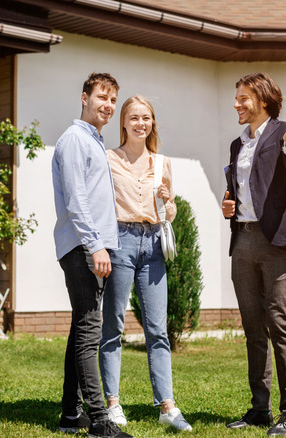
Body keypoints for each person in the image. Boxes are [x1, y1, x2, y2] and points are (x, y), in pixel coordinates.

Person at [221, 73, 286, 436]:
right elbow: (240, 186)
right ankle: (260, 408)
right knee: (253, 328)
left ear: (263, 99)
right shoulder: (236, 143)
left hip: (276, 242)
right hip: (243, 239)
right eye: (236, 98)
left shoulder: (283, 132)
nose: (237, 104)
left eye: (243, 98)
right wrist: (229, 204)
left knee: (280, 324)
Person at [98, 95, 193, 432]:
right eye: (134, 117)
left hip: (153, 244)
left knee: (157, 329)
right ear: (123, 122)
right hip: (120, 242)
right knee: (113, 327)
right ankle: (112, 403)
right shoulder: (108, 159)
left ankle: (167, 407)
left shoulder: (162, 162)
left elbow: (169, 214)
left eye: (147, 118)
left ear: (153, 123)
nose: (141, 123)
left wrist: (169, 203)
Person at [52, 72, 132, 438]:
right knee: (89, 330)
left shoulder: (94, 141)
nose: (109, 105)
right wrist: (95, 244)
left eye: (113, 100)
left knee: (81, 327)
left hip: (91, 245)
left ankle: (71, 414)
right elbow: (76, 199)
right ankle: (100, 421)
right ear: (84, 97)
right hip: (83, 247)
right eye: (102, 97)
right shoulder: (74, 140)